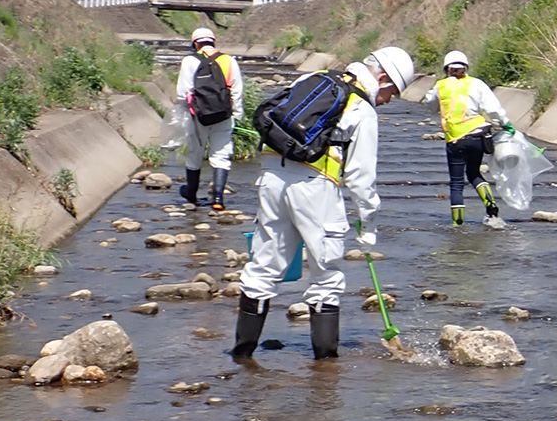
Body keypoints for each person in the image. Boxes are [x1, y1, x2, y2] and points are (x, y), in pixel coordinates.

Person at [232, 46, 415, 360]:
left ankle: (241, 356)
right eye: (392, 92)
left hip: (271, 176)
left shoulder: (317, 77)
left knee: (262, 267)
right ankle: (326, 368)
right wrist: (367, 223)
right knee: (326, 276)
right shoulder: (362, 108)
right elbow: (360, 178)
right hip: (316, 188)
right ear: (382, 77)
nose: (387, 100)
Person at [436, 50, 513, 229]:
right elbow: (493, 109)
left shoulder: (440, 86)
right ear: (466, 67)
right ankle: (491, 205)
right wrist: (506, 124)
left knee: (456, 183)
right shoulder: (477, 84)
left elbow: (430, 104)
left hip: (455, 140)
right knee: (474, 173)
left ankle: (458, 224)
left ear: (447, 69)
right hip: (478, 137)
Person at [175, 26, 243, 209]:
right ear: (213, 42)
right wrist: (237, 115)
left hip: (198, 116)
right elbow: (237, 91)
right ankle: (218, 199)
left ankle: (191, 195)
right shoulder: (229, 60)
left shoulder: (189, 60)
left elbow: (183, 93)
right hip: (223, 115)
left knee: (195, 153)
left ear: (195, 43)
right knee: (221, 155)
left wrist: (185, 114)